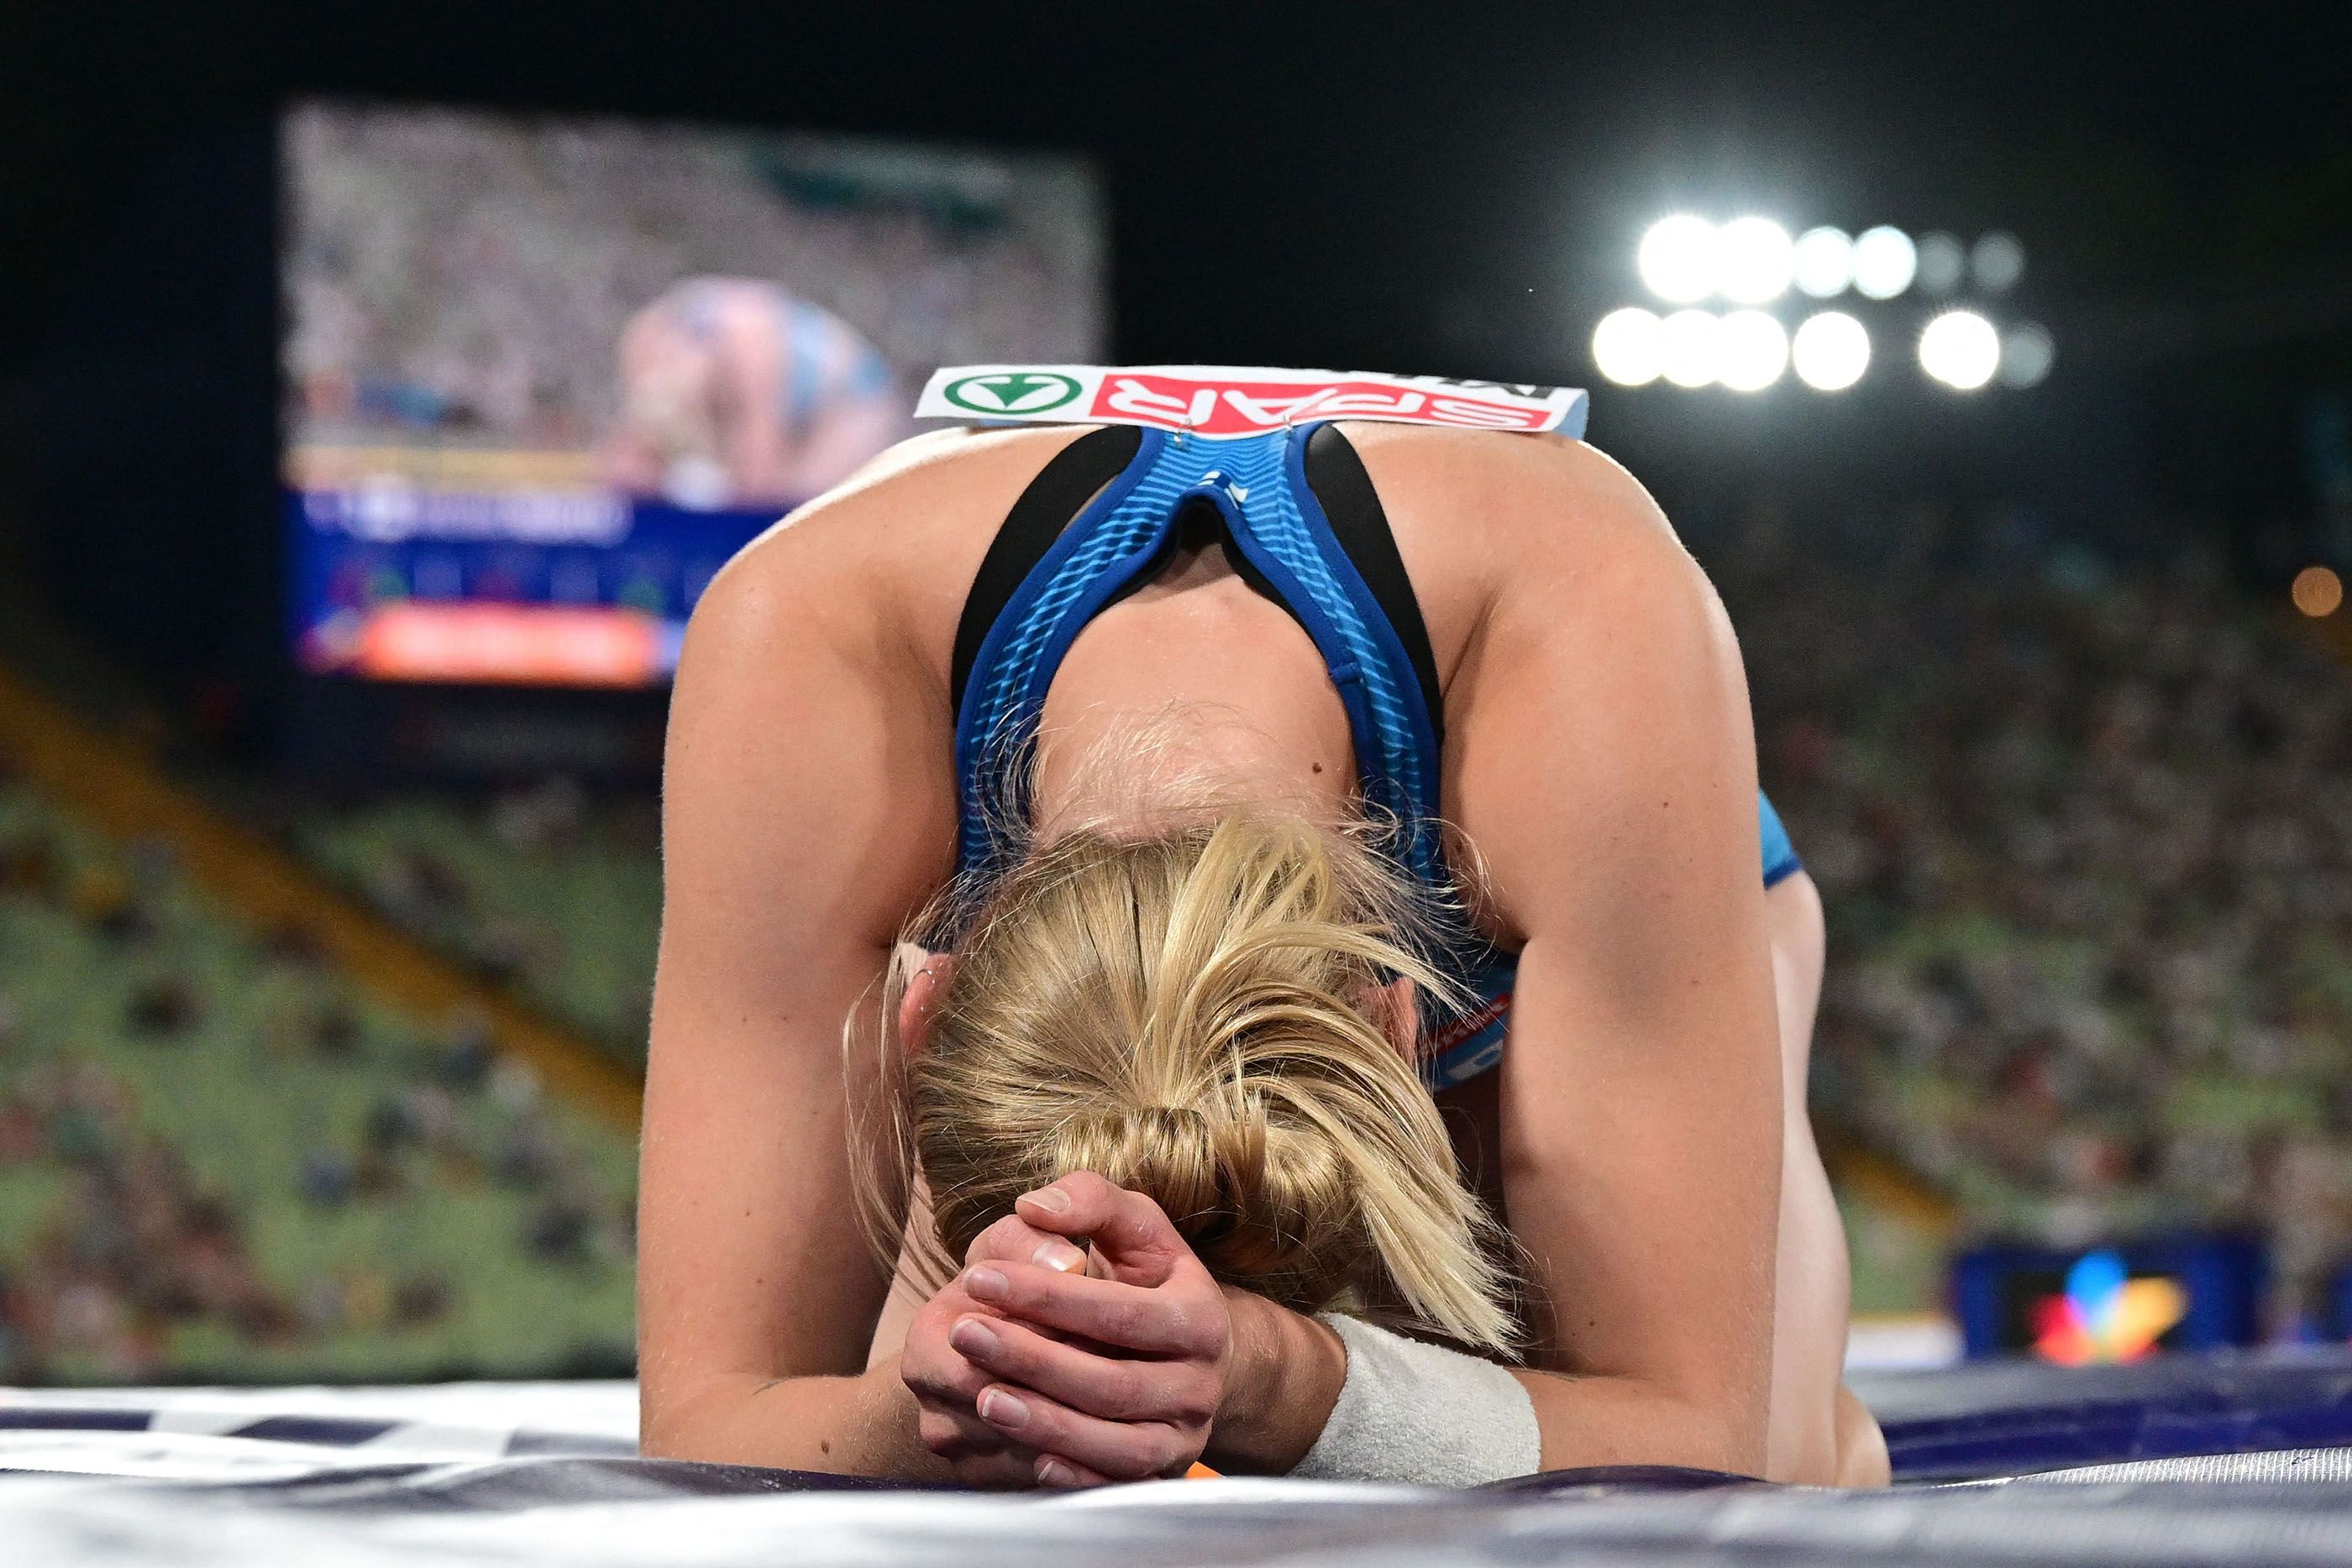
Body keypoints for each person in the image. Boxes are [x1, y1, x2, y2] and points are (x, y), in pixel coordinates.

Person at [638, 395, 1890, 1488]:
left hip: (1608, 891)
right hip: (1388, 906)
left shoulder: (1588, 617)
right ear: (926, 1021)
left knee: (1799, 1463)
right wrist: (970, 1390)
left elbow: (1701, 1442)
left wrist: (1273, 1379)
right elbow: (707, 1426)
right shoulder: (797, 636)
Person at [606, 279, 902, 509]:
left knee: (800, 515)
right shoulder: (644, 339)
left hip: (851, 405)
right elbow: (627, 463)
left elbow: (762, 480)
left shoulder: (748, 344)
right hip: (743, 391)